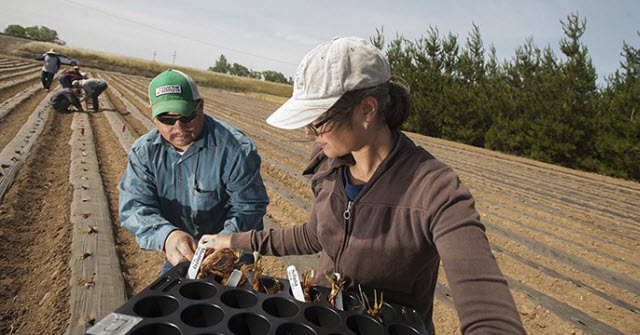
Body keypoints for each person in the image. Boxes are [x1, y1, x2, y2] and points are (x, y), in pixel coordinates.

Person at [200, 37, 526, 334]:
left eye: (319, 121)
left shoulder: (433, 189)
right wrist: (235, 241)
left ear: (367, 110)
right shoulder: (329, 166)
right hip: (322, 319)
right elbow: (316, 233)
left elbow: (489, 313)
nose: (308, 133)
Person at [118, 69, 269, 275]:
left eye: (186, 117)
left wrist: (222, 242)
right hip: (183, 251)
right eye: (167, 120)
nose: (178, 127)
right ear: (151, 113)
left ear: (200, 106)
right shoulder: (144, 152)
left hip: (230, 249)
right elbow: (135, 205)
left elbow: (249, 207)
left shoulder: (235, 149)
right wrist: (167, 236)